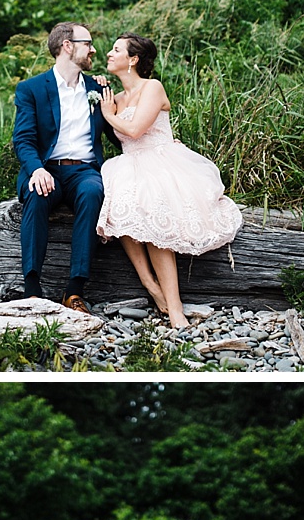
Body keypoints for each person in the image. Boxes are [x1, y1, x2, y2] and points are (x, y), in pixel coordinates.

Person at [95, 34, 242, 330]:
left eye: (116, 50)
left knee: (155, 211)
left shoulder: (152, 87)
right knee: (119, 202)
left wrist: (108, 116)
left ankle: (175, 308)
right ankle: (150, 284)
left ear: (133, 59)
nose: (109, 54)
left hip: (161, 161)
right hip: (130, 163)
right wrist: (98, 90)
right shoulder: (117, 98)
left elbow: (135, 129)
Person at [12, 22, 120, 312]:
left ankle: (75, 290)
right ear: (67, 46)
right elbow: (22, 138)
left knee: (92, 192)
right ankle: (32, 288)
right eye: (88, 43)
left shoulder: (98, 88)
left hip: (84, 170)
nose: (94, 49)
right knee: (37, 194)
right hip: (46, 168)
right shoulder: (31, 89)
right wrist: (35, 169)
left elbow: (118, 133)